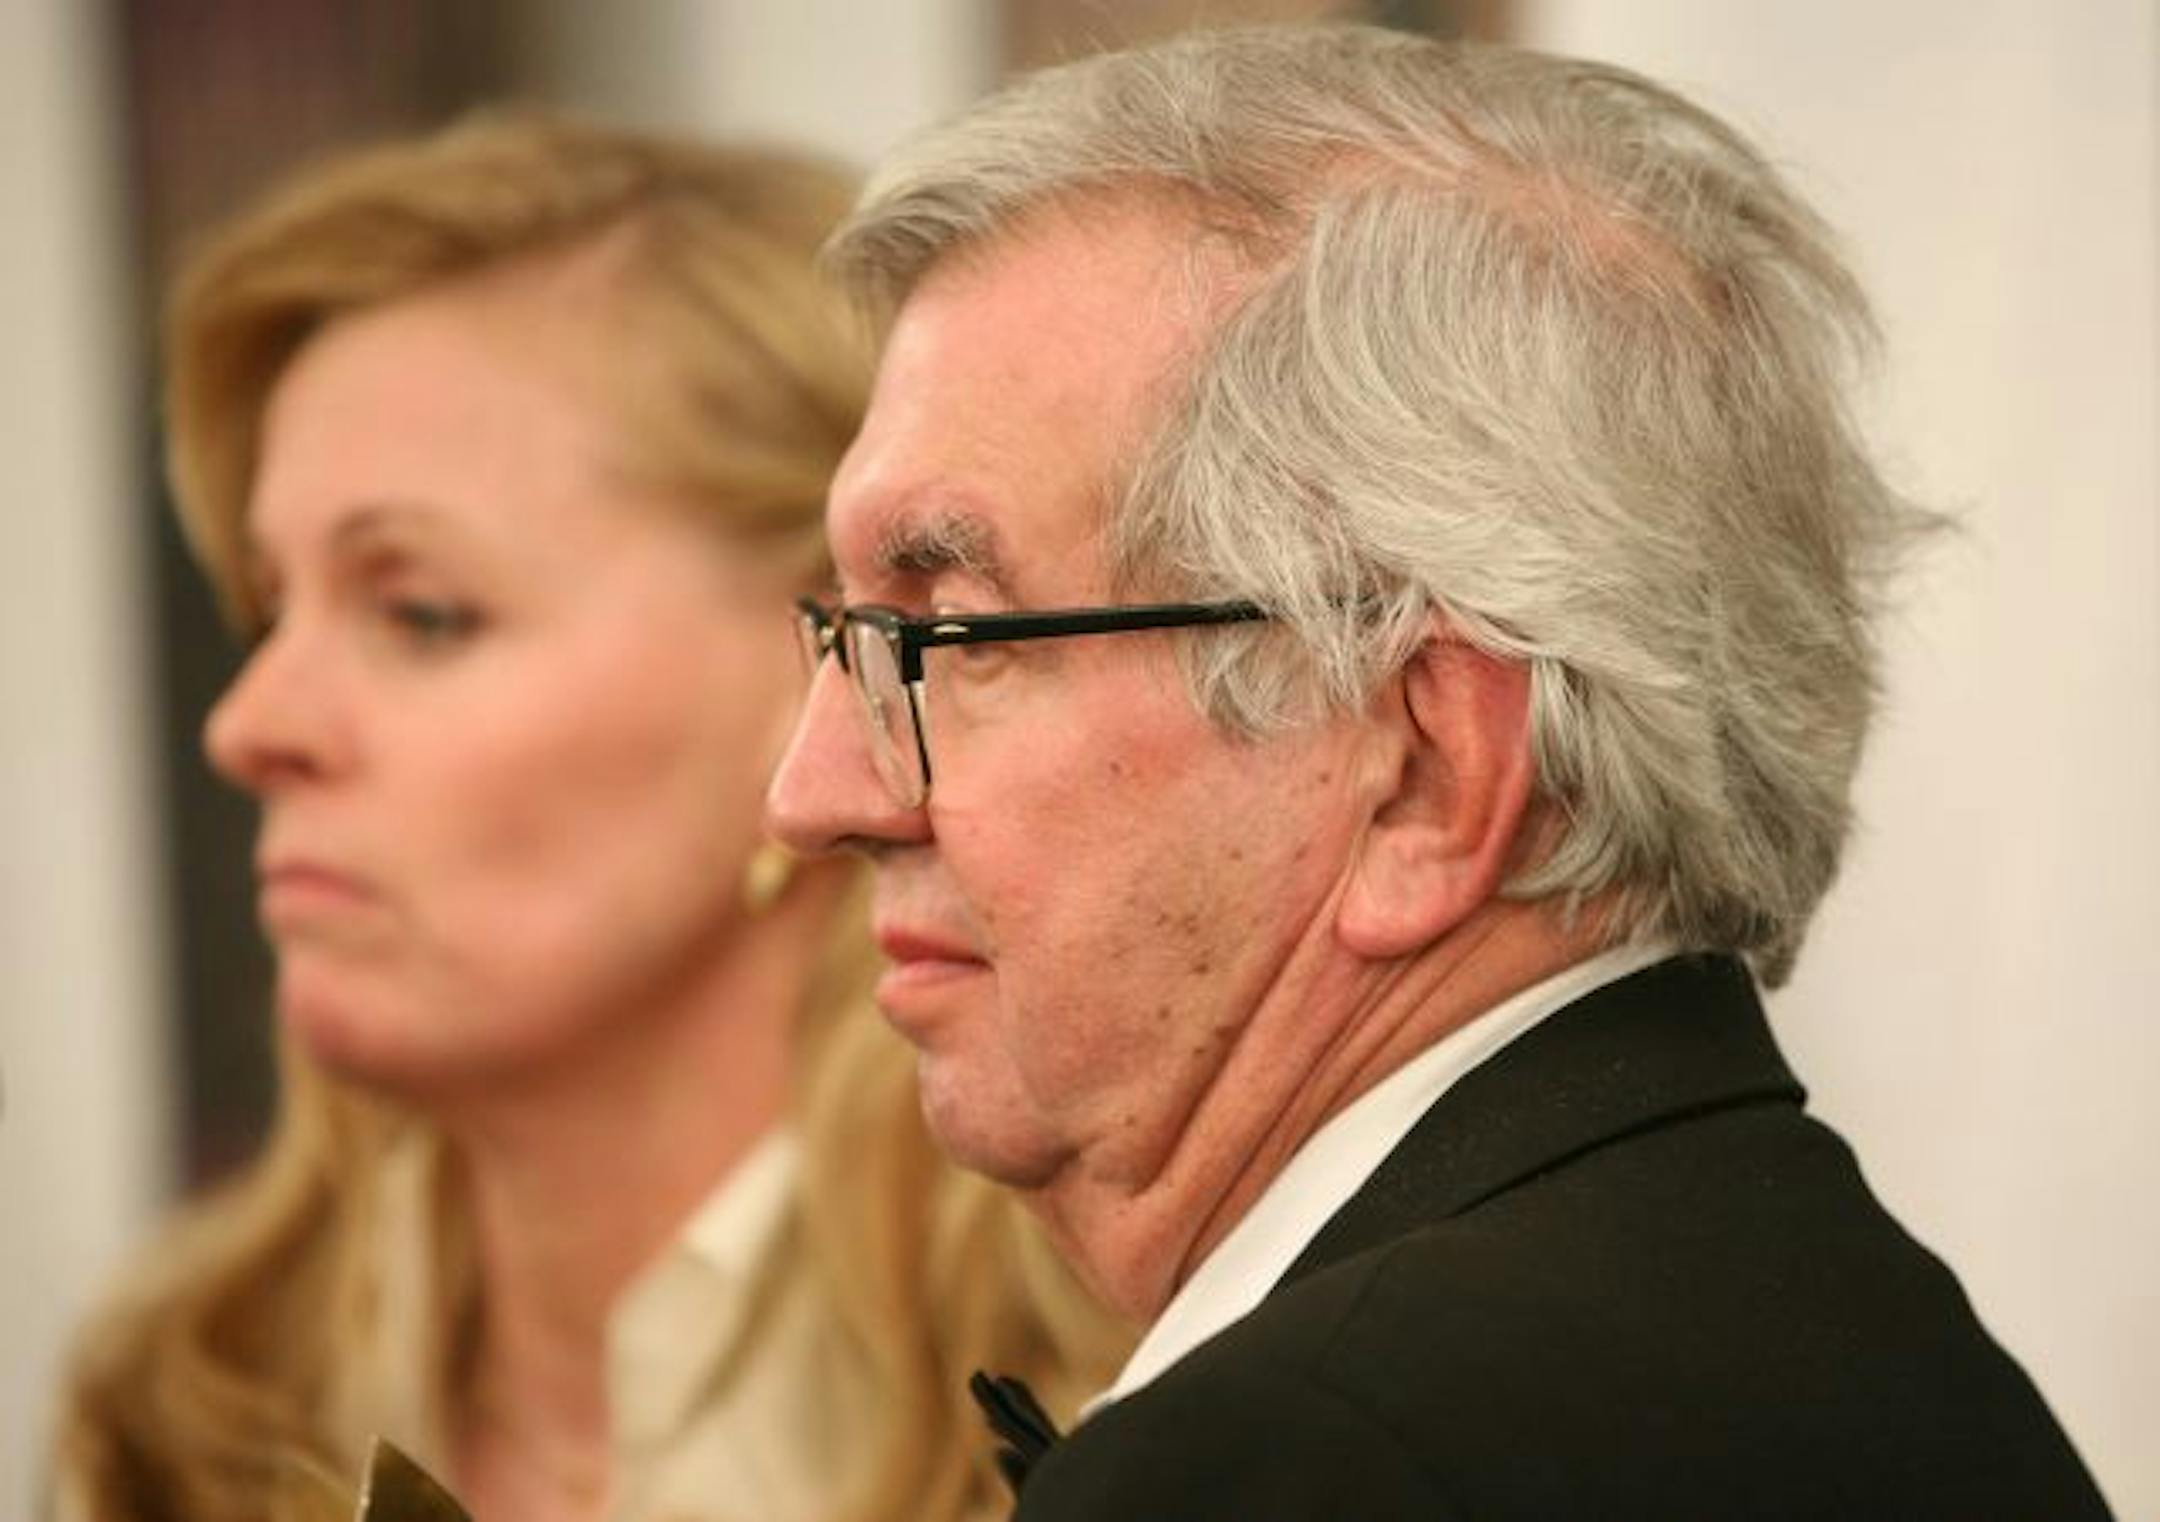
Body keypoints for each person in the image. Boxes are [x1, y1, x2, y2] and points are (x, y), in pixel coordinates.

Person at [766, 25, 2115, 1521]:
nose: (818, 790)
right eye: (852, 630)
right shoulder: (1823, 1323)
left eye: (956, 631)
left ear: (1421, 775)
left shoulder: (1304, 1465)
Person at [53, 114, 1127, 1522]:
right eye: (268, 607)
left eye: (419, 611)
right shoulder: (188, 1394)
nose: (248, 724)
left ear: (833, 649)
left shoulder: (1106, 1414)